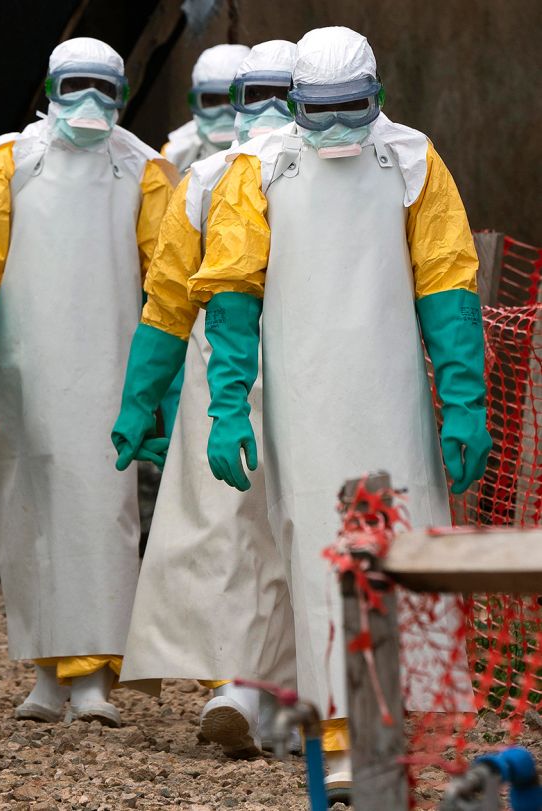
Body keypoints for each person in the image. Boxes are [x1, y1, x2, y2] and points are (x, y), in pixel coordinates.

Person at [189, 27, 490, 801]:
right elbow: (231, 288)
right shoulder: (258, 168)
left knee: (405, 548)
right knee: (321, 552)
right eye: (315, 112)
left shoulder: (414, 160)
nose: (332, 130)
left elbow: (448, 284)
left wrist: (463, 401)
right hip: (303, 397)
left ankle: (409, 726)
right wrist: (229, 404)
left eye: (348, 111)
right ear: (292, 103)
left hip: (393, 397)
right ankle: (339, 731)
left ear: (377, 98)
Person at [0, 37, 178, 727]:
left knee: (103, 515)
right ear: (51, 89)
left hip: (110, 371)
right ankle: (44, 670)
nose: (90, 104)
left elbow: (170, 279)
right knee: (22, 509)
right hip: (25, 374)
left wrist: (161, 389)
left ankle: (93, 674)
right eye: (78, 86)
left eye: (105, 88)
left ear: (122, 96)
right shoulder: (9, 164)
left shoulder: (144, 172)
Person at [114, 40, 300, 760]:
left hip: (252, 385)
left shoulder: (215, 176)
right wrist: (141, 400)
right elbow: (165, 301)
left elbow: (163, 306)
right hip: (250, 383)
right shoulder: (208, 180)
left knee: (257, 536)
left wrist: (141, 399)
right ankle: (252, 685)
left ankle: (271, 689)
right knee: (243, 538)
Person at [162, 43, 250, 173]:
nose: (223, 110)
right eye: (211, 100)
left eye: (234, 99)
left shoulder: (278, 150)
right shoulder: (174, 155)